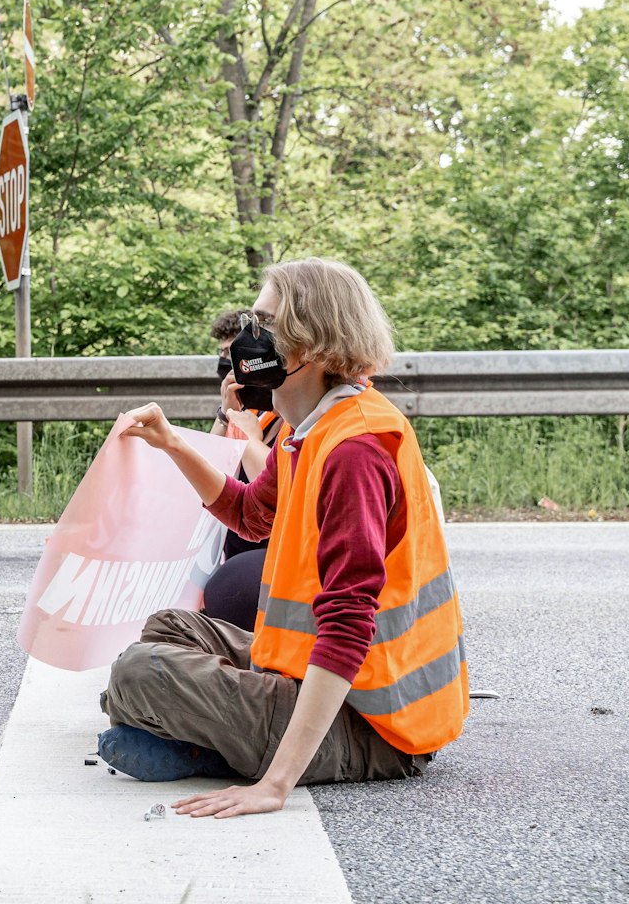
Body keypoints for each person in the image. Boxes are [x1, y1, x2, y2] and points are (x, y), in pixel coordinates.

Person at [96, 257, 468, 818]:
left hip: (375, 721)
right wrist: (172, 443)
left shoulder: (354, 450)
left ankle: (208, 747)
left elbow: (348, 625)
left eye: (265, 324)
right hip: (318, 675)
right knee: (166, 629)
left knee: (140, 673)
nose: (249, 339)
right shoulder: (308, 430)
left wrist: (274, 787)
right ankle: (192, 736)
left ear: (312, 343)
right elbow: (250, 515)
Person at [202, 308, 285, 629]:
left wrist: (249, 436)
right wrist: (225, 416)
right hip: (238, 544)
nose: (227, 364)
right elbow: (209, 465)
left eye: (231, 354)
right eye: (221, 354)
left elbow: (277, 485)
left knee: (231, 588)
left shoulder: (289, 411)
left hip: (273, 552)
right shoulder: (249, 411)